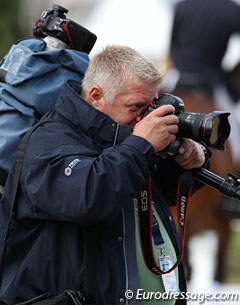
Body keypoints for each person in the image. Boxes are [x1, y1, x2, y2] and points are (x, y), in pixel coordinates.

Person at [0, 45, 208, 305]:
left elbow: (151, 190)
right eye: (136, 106)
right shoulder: (49, 141)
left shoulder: (122, 137)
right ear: (96, 95)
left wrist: (186, 161)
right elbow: (88, 197)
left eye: (150, 106)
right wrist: (142, 144)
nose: (144, 117)